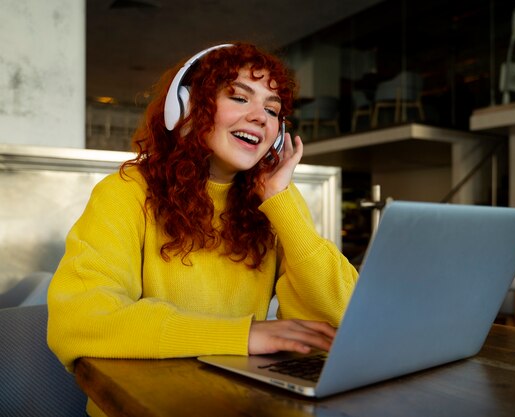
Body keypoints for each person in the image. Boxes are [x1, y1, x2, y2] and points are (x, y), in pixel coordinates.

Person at [47, 42, 358, 414]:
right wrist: (240, 336)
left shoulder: (276, 205)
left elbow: (342, 320)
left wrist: (281, 199)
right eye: (240, 98)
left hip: (245, 403)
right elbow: (78, 319)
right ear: (188, 107)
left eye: (272, 109)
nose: (261, 116)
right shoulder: (126, 193)